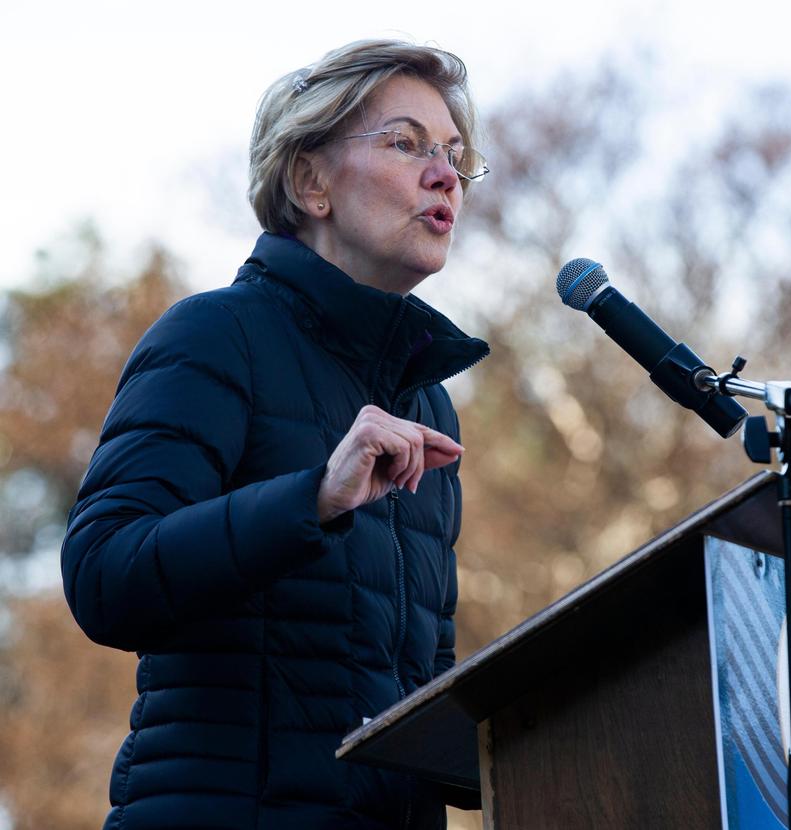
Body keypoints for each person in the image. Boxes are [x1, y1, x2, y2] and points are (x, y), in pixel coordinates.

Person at [61, 39, 490, 830]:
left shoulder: (428, 405)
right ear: (309, 181)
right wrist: (313, 500)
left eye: (456, 156)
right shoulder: (216, 337)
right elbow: (103, 576)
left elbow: (419, 678)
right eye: (407, 144)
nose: (445, 176)